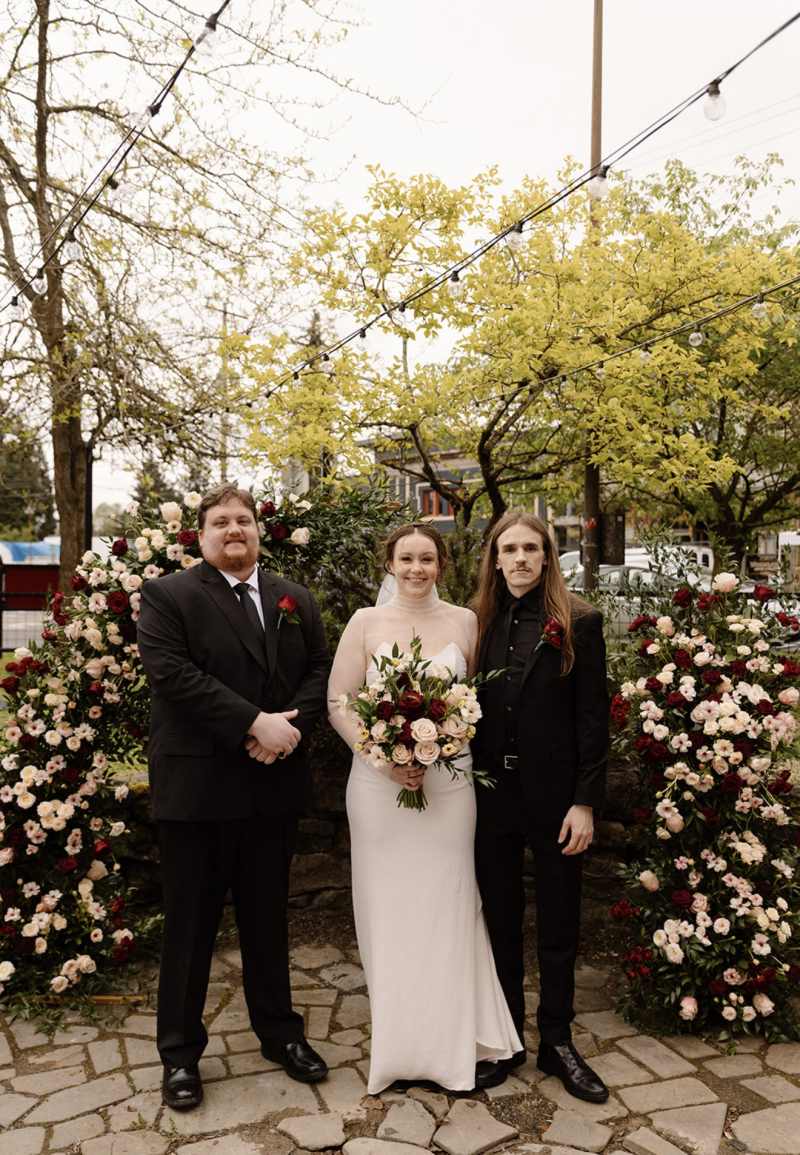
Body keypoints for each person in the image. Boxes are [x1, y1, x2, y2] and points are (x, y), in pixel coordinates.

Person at [137, 484, 330, 1111]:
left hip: (272, 785)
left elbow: (320, 670)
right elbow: (173, 676)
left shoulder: (294, 597)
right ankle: (179, 1054)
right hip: (198, 791)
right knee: (190, 928)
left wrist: (286, 732)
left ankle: (280, 1034)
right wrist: (254, 723)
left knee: (267, 921)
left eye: (243, 519)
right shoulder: (168, 596)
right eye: (220, 522)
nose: (233, 530)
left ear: (258, 530)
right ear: (200, 535)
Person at [327, 523, 521, 1095]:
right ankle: (400, 1048)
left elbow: (479, 701)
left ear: (442, 565)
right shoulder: (365, 622)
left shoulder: (466, 621)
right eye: (407, 559)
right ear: (389, 564)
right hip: (377, 788)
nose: (417, 569)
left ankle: (458, 1043)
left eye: (428, 559)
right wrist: (384, 757)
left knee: (451, 904)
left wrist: (447, 739)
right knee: (389, 910)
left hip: (450, 786)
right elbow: (339, 701)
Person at [471, 509, 610, 1103]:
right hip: (490, 797)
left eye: (531, 548)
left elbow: (593, 720)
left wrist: (585, 802)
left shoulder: (579, 621)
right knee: (499, 921)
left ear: (547, 556)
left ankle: (556, 1041)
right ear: (496, 559)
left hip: (556, 800)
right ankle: (506, 1041)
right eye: (510, 549)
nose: (521, 558)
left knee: (558, 922)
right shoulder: (476, 621)